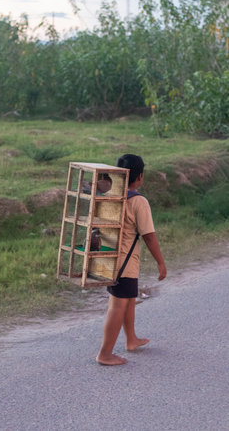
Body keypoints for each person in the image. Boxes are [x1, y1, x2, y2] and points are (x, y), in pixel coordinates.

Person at [96, 154, 167, 366]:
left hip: (109, 258)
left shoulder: (111, 195)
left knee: (127, 299)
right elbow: (149, 236)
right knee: (118, 305)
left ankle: (131, 339)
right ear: (140, 177)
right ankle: (105, 354)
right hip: (124, 263)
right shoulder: (138, 201)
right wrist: (161, 263)